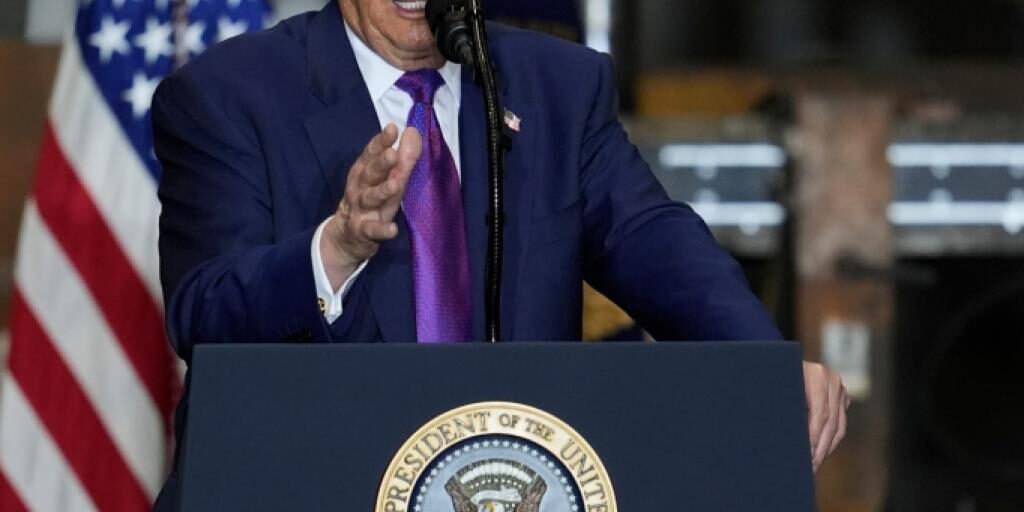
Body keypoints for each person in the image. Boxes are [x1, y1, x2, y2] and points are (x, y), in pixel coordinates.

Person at [152, 0, 849, 507]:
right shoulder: (229, 94)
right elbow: (204, 311)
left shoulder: (558, 86)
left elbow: (654, 241)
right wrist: (337, 247)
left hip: (514, 480)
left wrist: (764, 366)